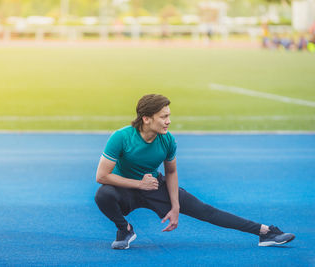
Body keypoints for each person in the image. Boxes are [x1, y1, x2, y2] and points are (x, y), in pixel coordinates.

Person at [94, 94, 295, 250]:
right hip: (125, 189)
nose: (168, 121)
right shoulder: (121, 137)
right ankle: (125, 229)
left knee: (206, 210)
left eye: (169, 116)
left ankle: (265, 232)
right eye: (163, 117)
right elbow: (101, 176)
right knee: (103, 194)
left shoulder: (167, 140)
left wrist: (175, 206)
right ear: (146, 119)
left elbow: (171, 173)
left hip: (155, 186)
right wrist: (139, 184)